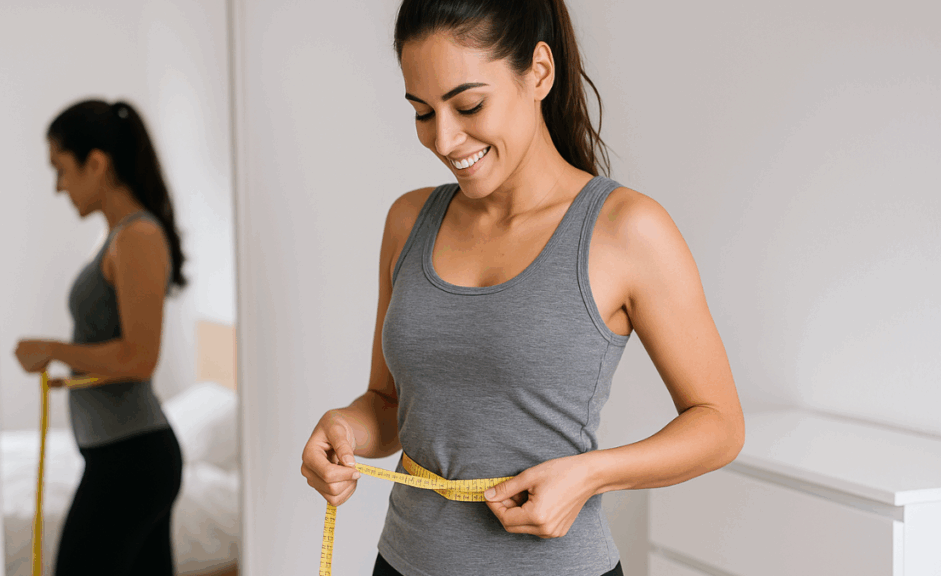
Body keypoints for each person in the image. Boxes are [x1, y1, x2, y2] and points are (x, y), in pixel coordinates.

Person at [301, 1, 745, 574]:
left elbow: (719, 424)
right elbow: (389, 406)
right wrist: (343, 429)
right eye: (421, 112)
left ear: (538, 71)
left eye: (468, 105)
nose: (444, 138)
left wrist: (590, 474)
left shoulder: (625, 230)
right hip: (402, 563)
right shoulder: (409, 221)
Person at [14, 99, 186, 576]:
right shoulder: (119, 238)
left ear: (97, 163)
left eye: (62, 170)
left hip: (132, 460)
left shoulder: (139, 238)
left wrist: (53, 350)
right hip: (122, 456)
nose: (59, 186)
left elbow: (140, 356)